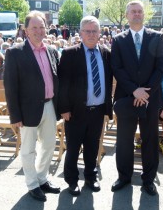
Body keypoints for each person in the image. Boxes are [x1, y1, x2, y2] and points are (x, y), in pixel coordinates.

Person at [111, 0, 163, 196]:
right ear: (127, 15)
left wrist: (145, 92)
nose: (136, 14)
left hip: (150, 100)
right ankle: (124, 176)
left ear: (144, 15)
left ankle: (149, 179)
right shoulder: (118, 40)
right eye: (133, 12)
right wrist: (135, 91)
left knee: (150, 139)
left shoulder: (157, 37)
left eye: (139, 11)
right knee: (124, 139)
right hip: (127, 98)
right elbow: (116, 68)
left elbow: (161, 68)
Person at [4, 10, 60, 202]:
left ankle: (42, 178)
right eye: (34, 27)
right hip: (27, 110)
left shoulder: (51, 51)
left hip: (50, 106)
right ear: (26, 31)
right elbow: (10, 87)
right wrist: (15, 115)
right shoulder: (15, 53)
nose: (38, 31)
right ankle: (32, 184)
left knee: (49, 145)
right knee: (28, 149)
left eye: (41, 27)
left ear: (46, 28)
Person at [58, 16, 113, 196]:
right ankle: (72, 180)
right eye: (87, 31)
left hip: (97, 111)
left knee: (92, 147)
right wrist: (64, 108)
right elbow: (63, 84)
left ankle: (90, 176)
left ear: (99, 33)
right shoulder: (69, 53)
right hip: (75, 112)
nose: (91, 34)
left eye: (94, 31)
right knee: (73, 148)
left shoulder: (106, 53)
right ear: (81, 33)